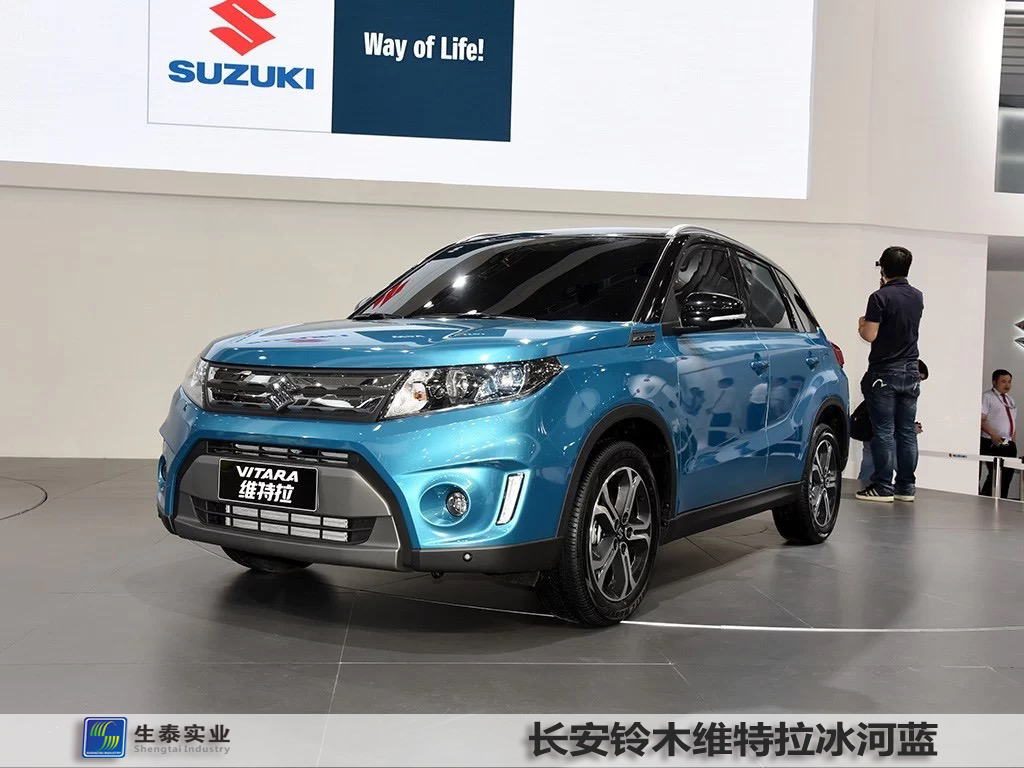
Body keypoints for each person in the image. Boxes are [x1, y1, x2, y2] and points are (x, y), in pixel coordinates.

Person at [855, 246, 925, 503]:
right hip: (911, 369)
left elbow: (870, 334)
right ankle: (906, 487)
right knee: (906, 431)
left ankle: (883, 486)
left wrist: (861, 323)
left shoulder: (879, 297)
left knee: (883, 431)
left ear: (883, 268)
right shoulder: (917, 296)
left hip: (884, 371)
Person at [857, 359, 929, 484]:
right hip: (882, 433)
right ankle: (900, 487)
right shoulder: (900, 388)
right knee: (900, 465)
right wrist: (911, 429)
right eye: (919, 379)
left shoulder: (886, 376)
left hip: (871, 430)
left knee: (868, 468)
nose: (917, 382)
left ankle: (863, 488)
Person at [980, 369, 1018, 498]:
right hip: (992, 441)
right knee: (996, 475)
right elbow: (980, 419)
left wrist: (1012, 441)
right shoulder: (987, 397)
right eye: (1003, 381)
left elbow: (1012, 422)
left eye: (1009, 381)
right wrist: (993, 434)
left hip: (1008, 443)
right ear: (994, 382)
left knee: (1007, 477)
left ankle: (1002, 502)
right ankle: (986, 502)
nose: (1007, 385)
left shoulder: (1011, 400)